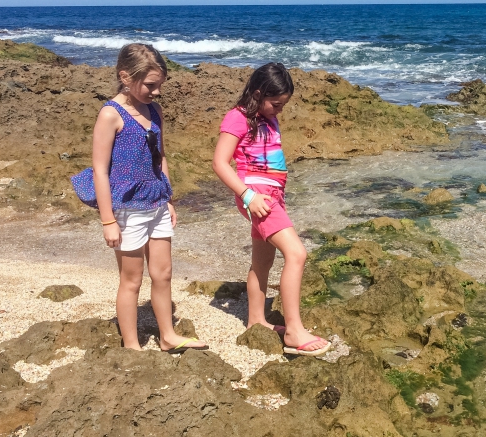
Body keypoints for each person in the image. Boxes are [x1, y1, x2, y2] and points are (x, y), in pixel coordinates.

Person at [72, 42, 207, 353]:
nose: (156, 91)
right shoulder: (110, 114)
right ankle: (131, 345)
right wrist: (108, 220)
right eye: (150, 85)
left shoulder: (154, 110)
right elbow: (100, 171)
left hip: (157, 202)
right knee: (131, 280)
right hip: (126, 209)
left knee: (163, 273)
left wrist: (169, 198)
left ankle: (167, 335)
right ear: (125, 76)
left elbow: (160, 158)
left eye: (159, 85)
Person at [212, 62, 331, 357]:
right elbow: (219, 163)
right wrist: (248, 196)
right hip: (257, 197)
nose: (279, 110)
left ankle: (256, 320)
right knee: (297, 254)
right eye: (275, 104)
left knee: (263, 261)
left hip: (271, 196)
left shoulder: (267, 118)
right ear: (257, 92)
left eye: (283, 105)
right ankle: (293, 330)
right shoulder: (238, 118)